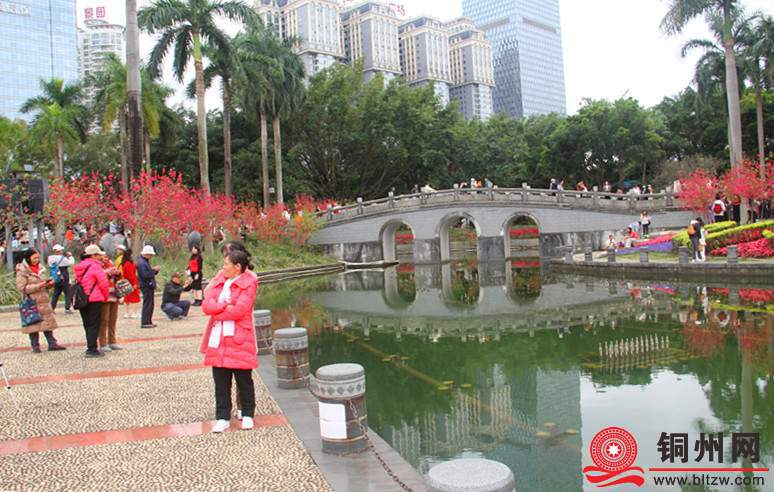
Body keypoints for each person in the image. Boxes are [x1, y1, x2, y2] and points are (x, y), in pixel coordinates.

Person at [200, 249, 259, 433]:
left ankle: (247, 414)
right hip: (219, 338)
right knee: (220, 381)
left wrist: (218, 311)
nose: (223, 267)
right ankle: (223, 417)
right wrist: (225, 306)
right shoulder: (220, 281)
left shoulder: (248, 283)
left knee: (244, 380)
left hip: (240, 338)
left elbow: (240, 310)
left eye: (226, 264)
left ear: (237, 266)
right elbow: (206, 305)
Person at [16, 249, 66, 353]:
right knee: (33, 323)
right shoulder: (22, 271)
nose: (37, 260)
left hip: (43, 300)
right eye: (34, 258)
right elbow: (22, 288)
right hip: (31, 302)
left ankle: (52, 343)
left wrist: (48, 284)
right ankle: (35, 346)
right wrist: (39, 286)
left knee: (47, 322)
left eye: (38, 258)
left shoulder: (40, 268)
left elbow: (44, 283)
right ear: (28, 258)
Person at [74, 245, 110, 357]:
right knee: (94, 324)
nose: (100, 257)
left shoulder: (80, 267)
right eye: (99, 255)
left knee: (87, 324)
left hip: (82, 298)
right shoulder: (96, 266)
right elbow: (103, 283)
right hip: (95, 299)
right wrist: (105, 296)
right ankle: (92, 349)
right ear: (93, 255)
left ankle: (90, 346)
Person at [98, 252, 122, 352]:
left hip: (113, 294)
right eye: (102, 255)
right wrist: (108, 273)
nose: (104, 257)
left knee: (113, 319)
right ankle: (102, 342)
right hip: (104, 296)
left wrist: (118, 274)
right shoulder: (97, 265)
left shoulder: (111, 263)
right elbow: (98, 277)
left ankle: (112, 340)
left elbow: (117, 278)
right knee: (104, 320)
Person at [137, 245, 160, 328]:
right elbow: (145, 275)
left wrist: (154, 271)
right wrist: (154, 270)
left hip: (148, 284)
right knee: (148, 304)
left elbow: (148, 273)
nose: (151, 257)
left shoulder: (144, 261)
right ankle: (145, 322)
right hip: (146, 285)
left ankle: (148, 321)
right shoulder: (142, 263)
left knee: (150, 304)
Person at [48, 244, 75, 314]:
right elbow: (71, 263)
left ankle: (52, 308)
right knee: (68, 292)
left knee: (56, 293)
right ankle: (67, 308)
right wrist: (70, 256)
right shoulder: (63, 258)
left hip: (55, 276)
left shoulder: (50, 258)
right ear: (59, 251)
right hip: (64, 275)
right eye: (61, 250)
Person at [118, 248, 141, 319]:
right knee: (135, 298)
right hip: (132, 282)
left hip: (125, 282)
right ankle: (135, 312)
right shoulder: (129, 264)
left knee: (127, 298)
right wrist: (134, 283)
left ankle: (127, 313)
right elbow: (131, 275)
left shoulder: (124, 263)